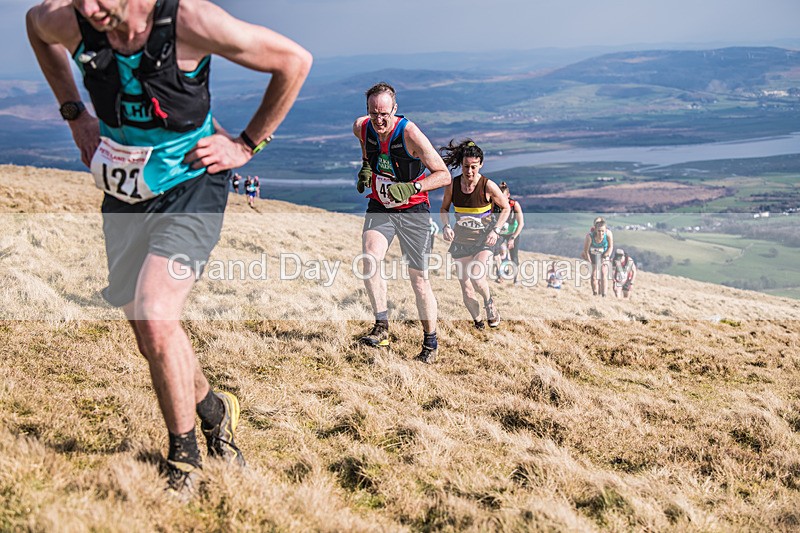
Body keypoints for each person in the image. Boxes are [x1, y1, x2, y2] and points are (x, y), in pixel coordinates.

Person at [27, 0, 312, 494]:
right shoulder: (67, 18)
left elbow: (293, 60)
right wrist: (75, 114)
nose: (91, 8)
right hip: (126, 188)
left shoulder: (187, 20)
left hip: (193, 184)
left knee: (158, 315)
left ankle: (185, 464)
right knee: (150, 334)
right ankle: (214, 410)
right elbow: (35, 28)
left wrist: (246, 144)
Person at [353, 82, 451, 364]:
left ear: (395, 109)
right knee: (369, 260)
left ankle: (430, 342)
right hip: (381, 205)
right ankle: (381, 327)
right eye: (374, 113)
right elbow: (365, 145)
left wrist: (411, 189)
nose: (379, 120)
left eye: (384, 113)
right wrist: (366, 166)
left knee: (418, 279)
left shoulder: (409, 133)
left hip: (413, 210)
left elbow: (443, 175)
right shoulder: (362, 127)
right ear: (367, 111)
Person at [439, 139, 510, 329]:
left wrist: (496, 230)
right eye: (465, 167)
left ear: (481, 164)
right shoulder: (453, 185)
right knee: (466, 287)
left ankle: (489, 303)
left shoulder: (488, 185)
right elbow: (444, 209)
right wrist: (446, 226)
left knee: (477, 277)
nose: (469, 172)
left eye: (473, 167)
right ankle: (478, 322)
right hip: (461, 240)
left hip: (484, 239)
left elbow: (505, 208)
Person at [493, 182, 525, 284]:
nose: (501, 199)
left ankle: (516, 279)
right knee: (494, 251)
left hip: (512, 233)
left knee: (514, 256)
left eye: (503, 197)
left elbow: (521, 224)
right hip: (500, 232)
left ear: (508, 195)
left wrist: (513, 238)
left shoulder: (514, 205)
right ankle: (500, 275)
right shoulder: (494, 204)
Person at [582, 217, 614, 296]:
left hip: (604, 253)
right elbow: (586, 251)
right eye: (599, 231)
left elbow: (611, 247)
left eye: (603, 231)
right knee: (594, 275)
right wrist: (589, 261)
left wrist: (606, 255)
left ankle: (604, 294)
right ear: (595, 229)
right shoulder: (589, 237)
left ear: (605, 229)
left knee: (603, 272)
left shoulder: (608, 234)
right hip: (592, 254)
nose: (601, 233)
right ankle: (595, 293)